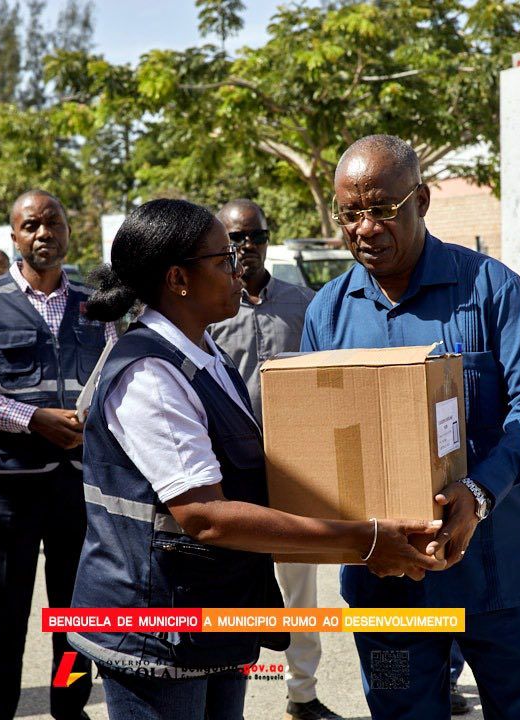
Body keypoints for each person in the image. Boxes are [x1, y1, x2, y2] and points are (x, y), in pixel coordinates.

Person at [69, 198, 443, 720]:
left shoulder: (206, 354)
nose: (238, 268)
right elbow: (206, 517)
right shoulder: (149, 375)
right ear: (178, 279)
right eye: (223, 259)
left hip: (211, 612)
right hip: (156, 629)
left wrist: (369, 523)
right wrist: (366, 539)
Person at [302, 135, 520, 720]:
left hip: (501, 583)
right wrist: (360, 541)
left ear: (421, 201)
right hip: (386, 593)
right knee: (399, 711)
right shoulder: (327, 312)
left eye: (382, 209)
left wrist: (478, 493)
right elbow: (322, 447)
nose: (365, 228)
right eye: (350, 213)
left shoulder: (492, 290)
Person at [0, 190, 100, 720]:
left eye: (53, 222)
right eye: (31, 225)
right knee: (6, 617)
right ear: (14, 237)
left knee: (75, 619)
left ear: (68, 230)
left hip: (78, 486)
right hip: (9, 489)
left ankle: (69, 706)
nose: (43, 233)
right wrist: (32, 418)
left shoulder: (94, 304)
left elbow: (114, 377)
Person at [207, 199, 340, 720]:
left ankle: (302, 695)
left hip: (293, 472)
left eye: (255, 236)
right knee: (232, 591)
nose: (246, 248)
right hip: (228, 476)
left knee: (299, 591)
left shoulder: (303, 303)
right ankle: (225, 701)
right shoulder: (210, 311)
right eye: (235, 239)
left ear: (267, 239)